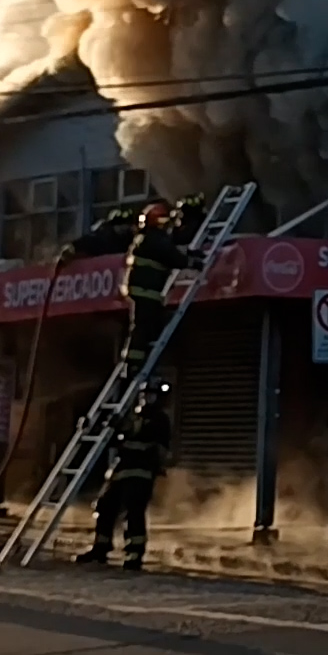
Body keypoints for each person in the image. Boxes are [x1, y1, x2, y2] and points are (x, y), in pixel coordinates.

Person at [74, 381, 172, 571]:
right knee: (104, 506)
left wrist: (121, 426)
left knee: (134, 512)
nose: (146, 398)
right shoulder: (134, 415)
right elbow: (113, 437)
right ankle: (101, 548)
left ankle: (134, 554)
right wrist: (91, 426)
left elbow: (140, 434)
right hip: (121, 471)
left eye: (150, 395)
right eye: (144, 394)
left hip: (141, 473)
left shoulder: (159, 419)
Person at [119, 201, 201, 373]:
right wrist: (192, 262)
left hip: (145, 290)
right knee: (143, 326)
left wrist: (190, 254)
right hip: (147, 290)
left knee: (148, 325)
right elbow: (171, 256)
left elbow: (170, 250)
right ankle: (134, 364)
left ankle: (135, 363)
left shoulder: (147, 238)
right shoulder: (155, 239)